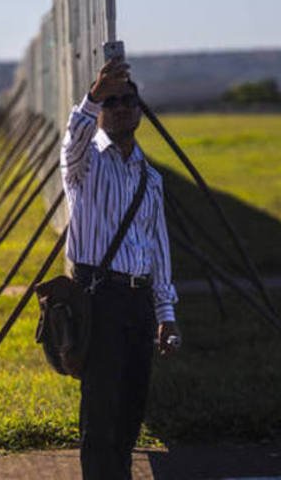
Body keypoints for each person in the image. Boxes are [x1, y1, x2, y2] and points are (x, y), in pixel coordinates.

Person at [60, 56, 182, 480]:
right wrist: (93, 95)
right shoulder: (85, 163)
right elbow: (71, 141)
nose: (122, 107)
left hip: (138, 302)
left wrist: (165, 315)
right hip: (100, 298)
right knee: (101, 410)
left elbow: (158, 247)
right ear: (101, 112)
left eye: (128, 99)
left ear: (139, 110)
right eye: (112, 102)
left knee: (131, 405)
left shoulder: (150, 176)